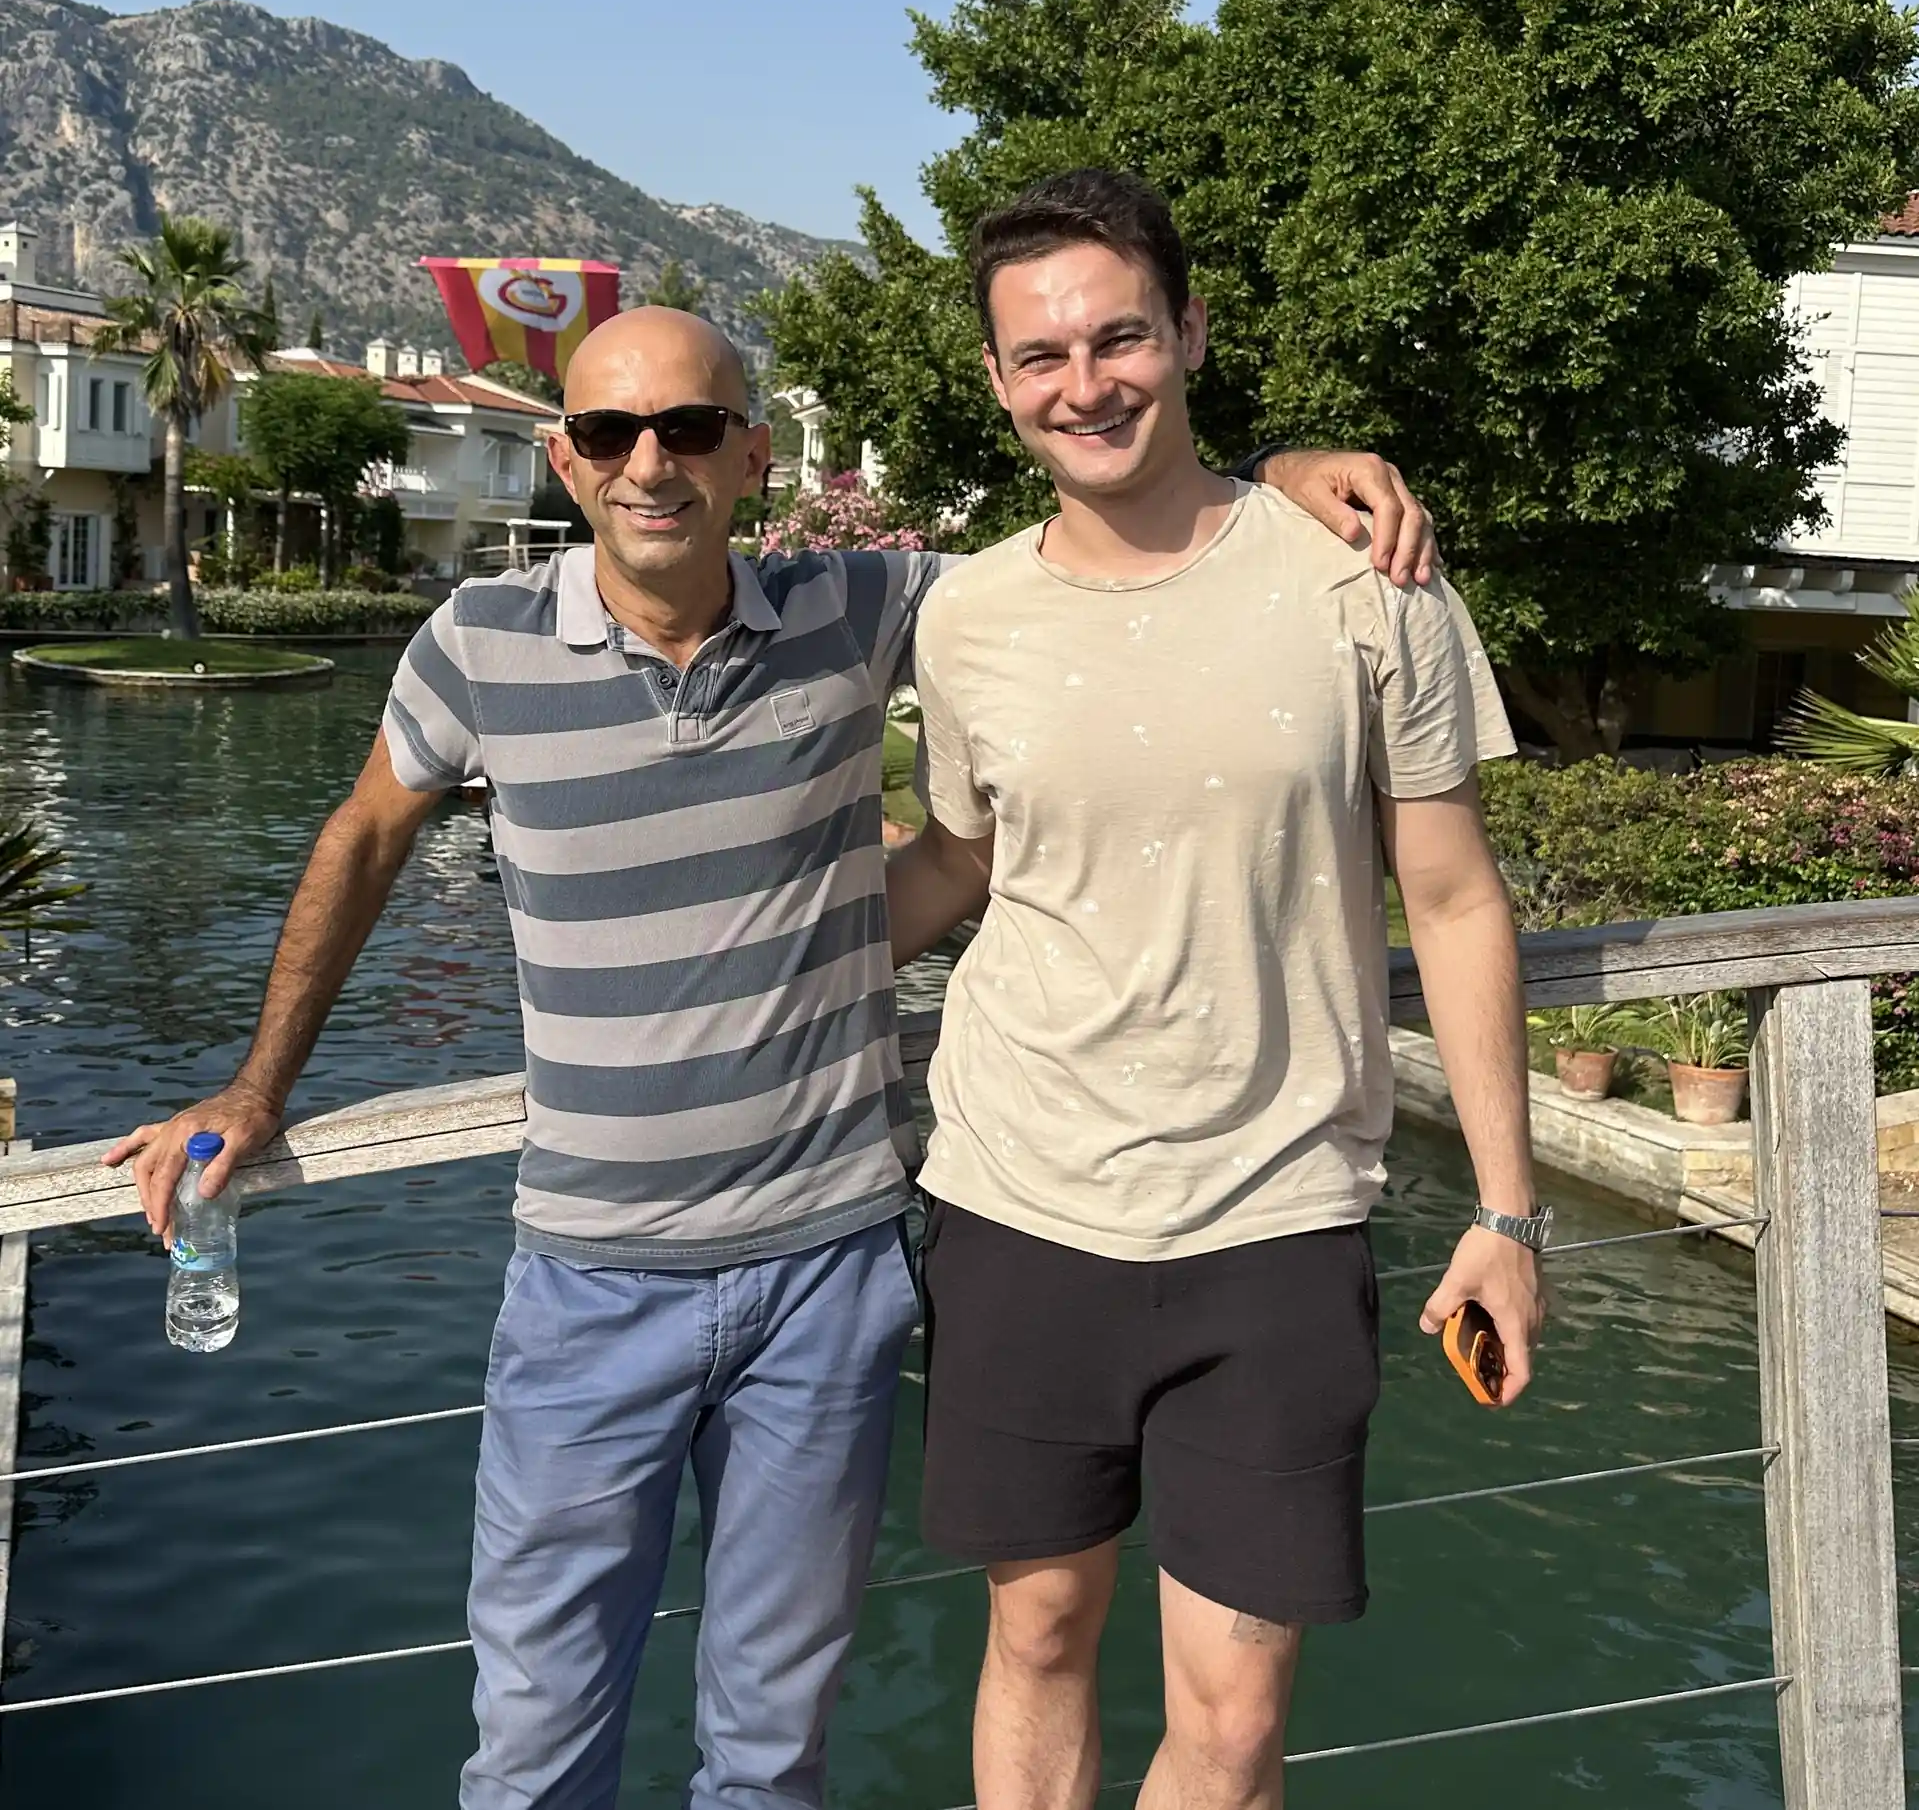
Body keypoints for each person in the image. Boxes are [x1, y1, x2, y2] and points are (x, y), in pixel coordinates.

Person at [107, 301, 1440, 1810]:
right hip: (586, 1284)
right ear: (564, 458)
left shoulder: (863, 611)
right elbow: (360, 836)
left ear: (751, 451)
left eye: (686, 428)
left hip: (828, 1282)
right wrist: (255, 1085)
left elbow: (1099, 531)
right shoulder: (476, 643)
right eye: (608, 433)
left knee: (768, 1745)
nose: (648, 463)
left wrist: (1271, 467)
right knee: (534, 1743)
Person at [886, 170, 1545, 1810]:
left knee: (1237, 1715)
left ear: (1186, 331)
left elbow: (1454, 896)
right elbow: (960, 861)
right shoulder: (964, 616)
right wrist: (747, 949)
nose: (1082, 381)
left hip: (1277, 1213)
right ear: (994, 378)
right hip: (1019, 1197)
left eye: (1119, 335)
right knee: (1035, 1626)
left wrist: (1508, 1215)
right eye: (1039, 354)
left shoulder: (1361, 579)